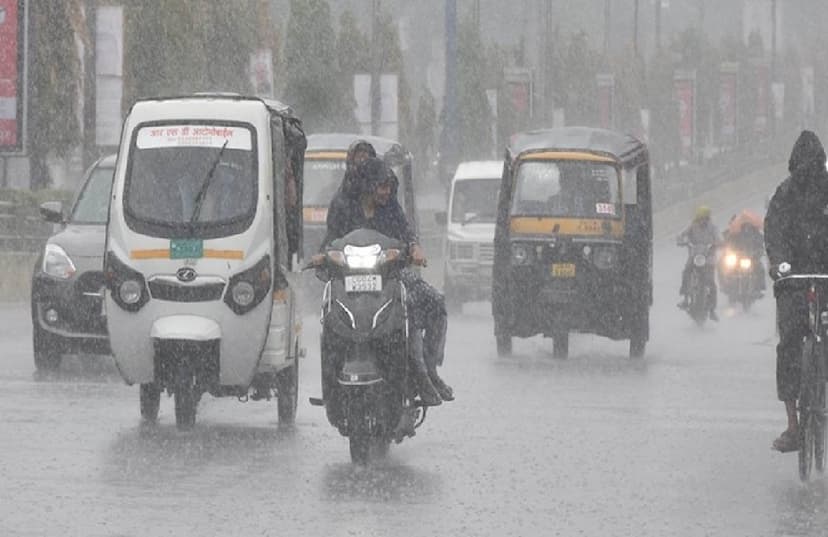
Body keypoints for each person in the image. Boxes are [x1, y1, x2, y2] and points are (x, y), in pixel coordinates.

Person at [314, 157, 454, 406]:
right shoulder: (345, 206)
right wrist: (323, 256)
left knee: (433, 303)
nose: (385, 191)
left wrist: (413, 248)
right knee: (330, 317)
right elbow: (331, 239)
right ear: (367, 185)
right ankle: (332, 383)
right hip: (349, 279)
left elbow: (407, 234)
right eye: (380, 186)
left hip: (391, 274)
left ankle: (427, 370)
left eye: (388, 186)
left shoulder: (391, 207)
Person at [765, 130, 828, 452]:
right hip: (794, 280)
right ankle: (793, 425)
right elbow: (773, 231)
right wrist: (779, 264)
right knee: (789, 345)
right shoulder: (785, 195)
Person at [677, 205, 721, 321]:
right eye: (701, 218)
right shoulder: (692, 226)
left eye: (706, 218)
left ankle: (712, 310)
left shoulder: (713, 228)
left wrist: (718, 243)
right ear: (697, 218)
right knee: (686, 272)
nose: (703, 221)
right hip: (694, 257)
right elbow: (682, 235)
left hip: (708, 259)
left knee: (711, 283)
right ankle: (685, 298)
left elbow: (719, 238)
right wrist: (682, 240)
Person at [721, 210, 766, 296]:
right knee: (725, 267)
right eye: (745, 225)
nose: (746, 227)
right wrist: (727, 250)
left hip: (751, 257)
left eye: (748, 225)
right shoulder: (735, 233)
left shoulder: (756, 234)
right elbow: (728, 242)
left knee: (760, 268)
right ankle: (726, 285)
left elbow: (761, 242)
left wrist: (759, 251)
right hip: (737, 258)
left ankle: (760, 287)